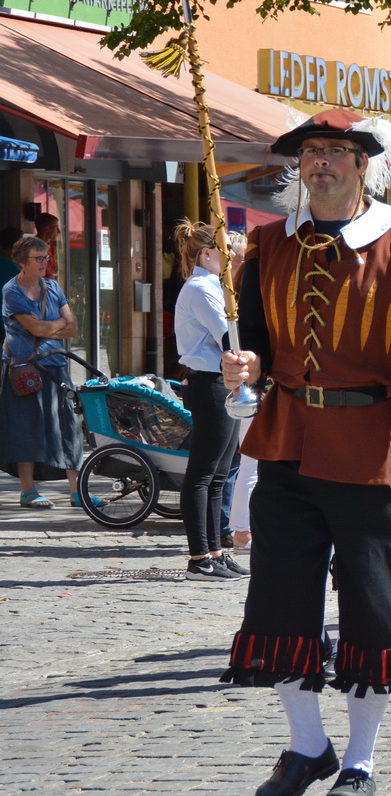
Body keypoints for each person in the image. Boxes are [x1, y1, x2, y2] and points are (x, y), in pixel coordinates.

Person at [220, 108, 391, 796]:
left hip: (374, 446)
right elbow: (256, 344)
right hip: (288, 442)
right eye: (311, 151)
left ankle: (360, 756)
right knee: (279, 601)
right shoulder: (266, 248)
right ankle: (307, 742)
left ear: (362, 163)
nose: (322, 162)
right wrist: (244, 366)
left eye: (336, 152)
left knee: (376, 608)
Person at [172, 219, 247, 579]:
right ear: (206, 253)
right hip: (209, 382)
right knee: (203, 473)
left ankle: (215, 550)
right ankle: (199, 556)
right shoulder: (201, 287)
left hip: (220, 381)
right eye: (224, 249)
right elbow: (228, 338)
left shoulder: (213, 285)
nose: (231, 255)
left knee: (220, 472)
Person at [2, 233, 80, 508]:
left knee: (69, 425)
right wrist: (57, 324)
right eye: (39, 258)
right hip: (26, 368)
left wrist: (51, 324)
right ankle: (28, 490)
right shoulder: (12, 291)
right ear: (23, 262)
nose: (45, 262)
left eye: (46, 256)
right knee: (27, 427)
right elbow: (37, 329)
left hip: (56, 365)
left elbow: (74, 327)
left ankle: (77, 491)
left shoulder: (53, 287)